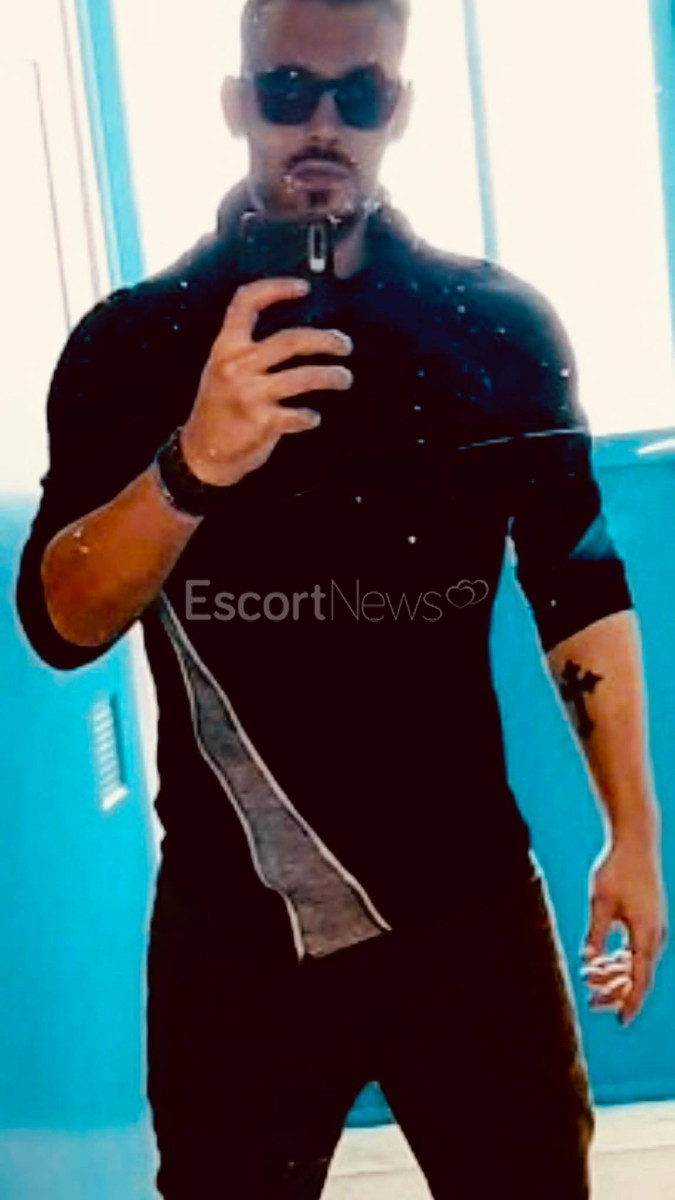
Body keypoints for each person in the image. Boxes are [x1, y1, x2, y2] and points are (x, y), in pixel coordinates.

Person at [16, 0, 665, 1195]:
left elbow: (577, 582)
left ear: (397, 108)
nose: (322, 123)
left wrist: (634, 833)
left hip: (471, 903)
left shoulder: (497, 330)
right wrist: (190, 465)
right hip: (235, 923)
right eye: (286, 90)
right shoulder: (132, 343)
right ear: (236, 102)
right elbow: (58, 621)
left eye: (359, 94)